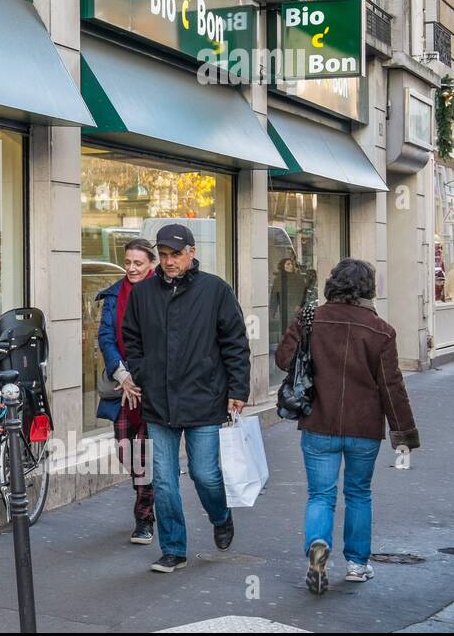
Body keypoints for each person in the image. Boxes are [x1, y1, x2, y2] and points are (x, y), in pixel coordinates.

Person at [274, 258, 420, 594]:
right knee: (358, 494)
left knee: (320, 496)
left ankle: (317, 546)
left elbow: (283, 359)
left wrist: (301, 328)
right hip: (363, 428)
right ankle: (357, 565)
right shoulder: (381, 331)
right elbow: (391, 385)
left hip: (318, 423)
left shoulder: (311, 318)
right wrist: (404, 435)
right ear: (369, 289)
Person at [122, 223, 250, 574]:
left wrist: (238, 390)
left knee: (204, 473)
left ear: (191, 252)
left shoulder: (215, 290)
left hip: (204, 398)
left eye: (175, 254)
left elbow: (235, 343)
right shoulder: (143, 293)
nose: (169, 261)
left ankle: (221, 515)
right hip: (159, 401)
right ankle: (173, 549)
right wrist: (142, 370)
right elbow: (131, 337)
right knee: (163, 479)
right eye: (163, 256)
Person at [94, 238, 157, 545]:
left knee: (144, 451)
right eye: (128, 262)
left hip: (153, 386)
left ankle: (144, 517)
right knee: (125, 448)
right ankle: (147, 494)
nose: (131, 268)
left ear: (151, 265)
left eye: (138, 263)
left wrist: (143, 376)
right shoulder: (115, 293)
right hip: (122, 384)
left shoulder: (162, 291)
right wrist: (122, 373)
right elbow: (105, 336)